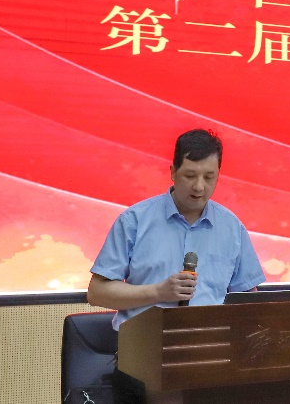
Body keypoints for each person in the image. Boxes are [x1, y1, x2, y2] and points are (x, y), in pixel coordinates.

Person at [87, 128, 266, 402]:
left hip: (212, 354)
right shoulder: (135, 221)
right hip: (144, 354)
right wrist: (159, 292)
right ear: (173, 172)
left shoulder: (232, 227)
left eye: (209, 177)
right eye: (190, 175)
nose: (199, 187)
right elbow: (97, 293)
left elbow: (248, 299)